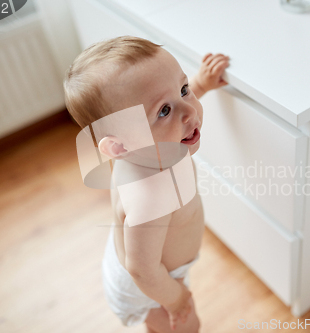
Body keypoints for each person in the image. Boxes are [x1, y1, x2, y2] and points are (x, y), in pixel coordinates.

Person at [63, 36, 229, 333]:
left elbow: (167, 103)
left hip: (151, 265)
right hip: (149, 285)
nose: (189, 111)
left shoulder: (142, 146)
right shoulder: (149, 194)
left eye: (183, 89)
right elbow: (142, 270)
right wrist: (176, 300)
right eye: (164, 111)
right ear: (118, 147)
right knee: (187, 327)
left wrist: (200, 85)